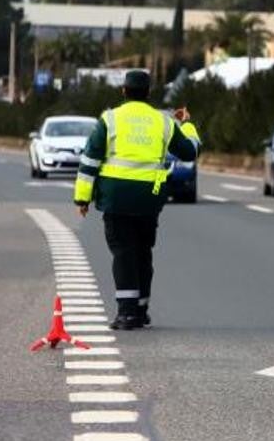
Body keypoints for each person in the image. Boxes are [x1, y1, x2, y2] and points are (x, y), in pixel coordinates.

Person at [74, 70, 200, 330]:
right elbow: (189, 151)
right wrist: (187, 125)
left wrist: (82, 198)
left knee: (123, 252)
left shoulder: (110, 119)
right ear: (148, 93)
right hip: (149, 199)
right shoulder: (163, 121)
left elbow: (90, 160)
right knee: (143, 252)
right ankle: (141, 310)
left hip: (116, 198)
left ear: (124, 91)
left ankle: (126, 313)